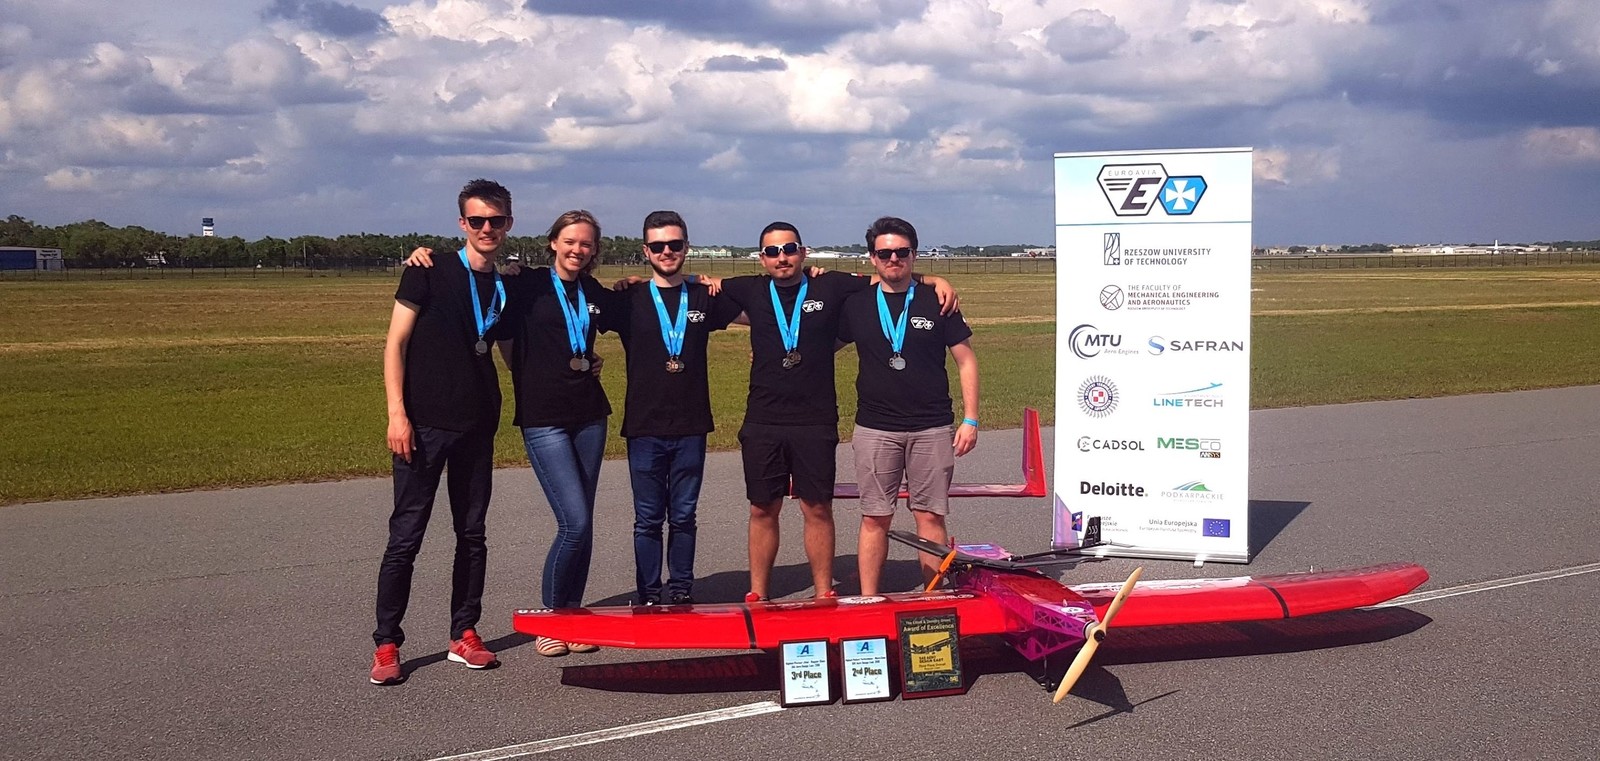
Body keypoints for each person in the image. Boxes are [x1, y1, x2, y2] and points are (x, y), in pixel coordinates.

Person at [402, 211, 615, 658]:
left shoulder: (592, 291)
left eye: (586, 244)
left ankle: (572, 617)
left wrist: (679, 279)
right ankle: (553, 620)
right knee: (574, 522)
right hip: (543, 418)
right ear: (553, 242)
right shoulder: (524, 283)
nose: (577, 250)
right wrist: (425, 256)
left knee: (585, 523)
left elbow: (634, 308)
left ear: (595, 250)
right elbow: (483, 302)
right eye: (569, 241)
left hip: (591, 416)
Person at [714, 223, 958, 602]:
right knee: (762, 508)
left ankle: (824, 592)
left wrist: (934, 279)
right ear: (762, 258)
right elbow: (689, 284)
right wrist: (636, 282)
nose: (782, 257)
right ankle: (758, 593)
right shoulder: (749, 289)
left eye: (789, 248)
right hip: (763, 419)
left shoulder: (831, 285)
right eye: (773, 251)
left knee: (817, 508)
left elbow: (890, 273)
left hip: (816, 420)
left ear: (803, 252)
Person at [371, 178, 513, 685]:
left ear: (508, 224)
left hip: (477, 425)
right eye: (477, 220)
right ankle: (387, 643)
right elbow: (395, 344)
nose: (486, 228)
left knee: (472, 535)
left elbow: (513, 350)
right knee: (405, 538)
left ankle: (464, 633)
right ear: (462, 224)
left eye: (495, 220)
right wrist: (397, 414)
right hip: (423, 426)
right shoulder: (426, 271)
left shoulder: (506, 285)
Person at [603, 211, 742, 605]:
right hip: (644, 427)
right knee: (647, 519)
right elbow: (574, 302)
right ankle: (648, 593)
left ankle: (681, 591)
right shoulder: (628, 298)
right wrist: (512, 271)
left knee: (683, 517)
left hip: (691, 425)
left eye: (675, 244)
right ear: (646, 251)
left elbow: (761, 309)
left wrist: (708, 280)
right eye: (658, 245)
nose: (667, 251)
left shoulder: (703, 297)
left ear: (686, 247)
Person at [839, 216, 979, 596]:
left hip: (931, 426)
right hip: (875, 427)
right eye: (884, 253)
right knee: (874, 517)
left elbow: (965, 359)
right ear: (872, 257)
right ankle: (869, 600)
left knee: (930, 516)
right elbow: (821, 345)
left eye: (902, 252)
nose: (893, 259)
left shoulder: (938, 300)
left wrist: (970, 419)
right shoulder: (856, 304)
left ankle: (933, 600)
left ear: (914, 255)